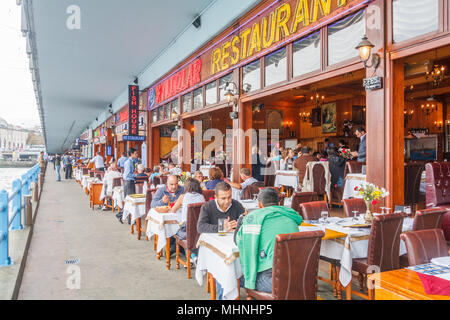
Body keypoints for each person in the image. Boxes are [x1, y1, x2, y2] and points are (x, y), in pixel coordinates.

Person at [235, 188, 302, 293]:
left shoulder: (254, 217)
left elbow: (240, 242)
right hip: (298, 274)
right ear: (279, 203)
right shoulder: (292, 215)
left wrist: (240, 220)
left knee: (237, 278)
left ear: (260, 204)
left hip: (274, 280)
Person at [197, 181, 245, 299]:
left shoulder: (237, 205)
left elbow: (245, 221)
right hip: (215, 249)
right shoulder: (207, 207)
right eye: (223, 198)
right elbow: (200, 227)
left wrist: (239, 224)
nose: (227, 201)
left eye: (229, 197)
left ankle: (237, 284)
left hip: (233, 244)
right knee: (223, 269)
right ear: (216, 197)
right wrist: (221, 227)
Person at [170, 178, 205, 262]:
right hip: (198, 228)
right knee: (190, 236)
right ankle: (193, 256)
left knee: (175, 232)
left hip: (186, 227)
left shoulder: (183, 197)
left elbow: (173, 210)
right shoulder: (202, 197)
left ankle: (191, 257)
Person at [116, 148, 139, 223]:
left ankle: (128, 219)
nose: (137, 155)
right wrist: (136, 175)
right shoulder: (128, 162)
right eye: (135, 153)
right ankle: (121, 215)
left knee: (129, 201)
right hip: (129, 182)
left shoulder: (131, 161)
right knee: (130, 201)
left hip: (129, 182)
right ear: (131, 154)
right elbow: (128, 174)